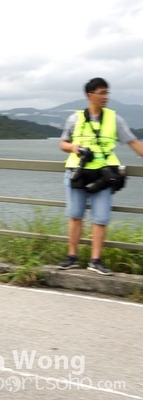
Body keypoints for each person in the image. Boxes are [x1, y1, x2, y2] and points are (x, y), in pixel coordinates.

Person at [58, 77, 143, 275]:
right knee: (75, 216)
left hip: (103, 175)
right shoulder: (75, 118)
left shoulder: (114, 119)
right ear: (90, 95)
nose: (106, 97)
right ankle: (72, 257)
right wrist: (74, 147)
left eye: (107, 92)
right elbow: (63, 144)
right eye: (102, 93)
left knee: (101, 219)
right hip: (78, 172)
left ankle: (95, 261)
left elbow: (133, 142)